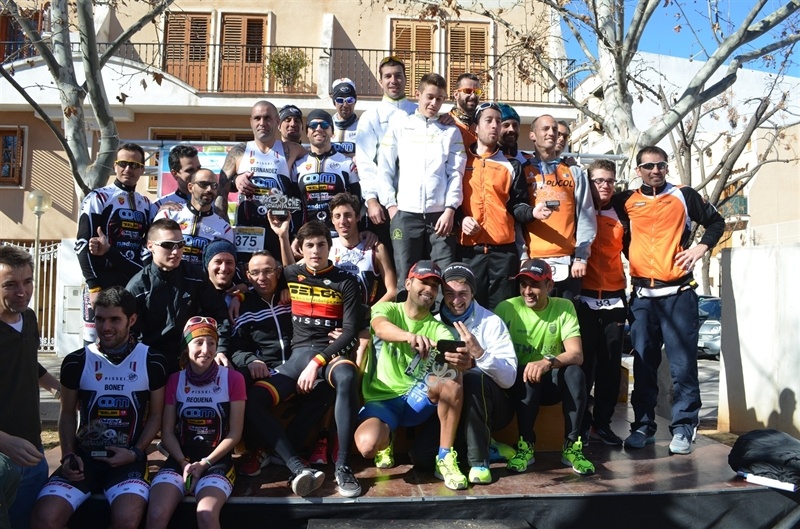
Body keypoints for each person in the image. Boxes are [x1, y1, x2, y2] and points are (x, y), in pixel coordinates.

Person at [615, 146, 724, 455]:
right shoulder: (626, 201)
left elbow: (717, 222)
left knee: (683, 367)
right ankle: (643, 426)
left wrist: (700, 248)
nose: (656, 170)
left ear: (666, 167)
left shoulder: (684, 195)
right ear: (638, 170)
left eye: (661, 165)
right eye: (649, 166)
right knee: (643, 366)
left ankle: (684, 427)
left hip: (679, 295)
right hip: (642, 298)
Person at [31, 287, 167, 529]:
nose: (106, 327)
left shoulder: (152, 361)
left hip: (128, 461)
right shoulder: (76, 361)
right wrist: (68, 454)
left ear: (132, 320)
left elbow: (157, 415)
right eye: (100, 319)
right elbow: (67, 413)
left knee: (127, 519)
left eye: (115, 319)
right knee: (45, 517)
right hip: (83, 460)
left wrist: (136, 453)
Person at [244, 222, 364, 497]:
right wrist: (238, 294)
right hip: (297, 357)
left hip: (329, 355)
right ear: (301, 248)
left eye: (321, 244)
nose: (315, 251)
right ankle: (296, 465)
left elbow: (349, 331)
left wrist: (317, 362)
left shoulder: (346, 280)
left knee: (347, 376)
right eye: (309, 245)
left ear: (330, 247)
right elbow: (260, 284)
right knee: (254, 398)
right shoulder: (291, 274)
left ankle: (344, 466)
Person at [355, 261, 468, 491]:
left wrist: (465, 361)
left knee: (453, 375)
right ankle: (387, 439)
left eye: (434, 285)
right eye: (423, 282)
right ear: (408, 284)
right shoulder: (388, 309)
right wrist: (409, 337)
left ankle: (445, 457)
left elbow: (452, 363)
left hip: (417, 399)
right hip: (382, 400)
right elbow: (381, 328)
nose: (429, 289)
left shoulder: (439, 328)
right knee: (367, 446)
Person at [231, 250, 331, 479]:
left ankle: (279, 450)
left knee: (327, 387)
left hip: (302, 366)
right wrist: (251, 360)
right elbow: (236, 348)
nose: (262, 277)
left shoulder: (293, 296)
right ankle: (290, 460)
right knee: (253, 399)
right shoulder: (244, 308)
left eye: (268, 271)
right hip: (271, 372)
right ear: (248, 276)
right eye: (255, 273)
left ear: (278, 272)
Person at [494, 259, 595, 476]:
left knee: (575, 373)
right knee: (527, 373)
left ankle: (572, 446)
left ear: (549, 286)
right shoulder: (506, 308)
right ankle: (526, 445)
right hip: (517, 384)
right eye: (523, 285)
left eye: (535, 285)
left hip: (550, 381)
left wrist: (547, 362)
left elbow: (576, 354)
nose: (527, 291)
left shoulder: (563, 306)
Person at [145, 318, 245, 529]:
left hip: (216, 462)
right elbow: (167, 432)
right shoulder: (175, 380)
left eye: (211, 343)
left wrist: (205, 463)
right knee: (156, 514)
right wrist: (184, 463)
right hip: (181, 460)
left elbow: (235, 434)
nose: (206, 350)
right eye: (198, 342)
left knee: (206, 515)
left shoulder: (234, 379)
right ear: (186, 346)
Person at [376, 72, 466, 289]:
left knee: (445, 279)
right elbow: (385, 167)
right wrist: (391, 205)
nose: (434, 103)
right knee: (406, 277)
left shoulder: (451, 132)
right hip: (405, 214)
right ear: (418, 95)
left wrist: (450, 209)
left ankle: (442, 313)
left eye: (439, 99)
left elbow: (456, 173)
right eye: (430, 97)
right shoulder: (400, 126)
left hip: (440, 216)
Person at [457, 101, 547, 309]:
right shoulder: (460, 161)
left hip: (503, 253)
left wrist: (532, 212)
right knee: (469, 310)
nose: (494, 125)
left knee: (503, 311)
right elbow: (450, 201)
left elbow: (518, 206)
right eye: (488, 120)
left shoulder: (512, 165)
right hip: (468, 250)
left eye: (498, 121)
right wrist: (461, 220)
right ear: (476, 127)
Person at [437, 263, 517, 484]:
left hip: (493, 407)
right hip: (450, 407)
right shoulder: (433, 322)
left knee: (472, 377)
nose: (456, 300)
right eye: (449, 293)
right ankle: (486, 445)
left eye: (463, 293)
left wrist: (479, 354)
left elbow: (509, 379)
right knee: (422, 458)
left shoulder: (491, 322)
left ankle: (479, 462)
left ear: (473, 292)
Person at [126, 219, 231, 374]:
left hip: (193, 358)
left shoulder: (196, 276)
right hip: (151, 361)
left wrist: (220, 349)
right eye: (168, 245)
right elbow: (128, 334)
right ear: (150, 246)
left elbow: (219, 314)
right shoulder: (137, 287)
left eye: (180, 245)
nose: (175, 252)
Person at [75, 142, 155, 344]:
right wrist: (94, 287)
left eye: (134, 165)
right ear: (115, 166)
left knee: (130, 343)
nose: (128, 169)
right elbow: (82, 244)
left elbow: (150, 247)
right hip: (101, 283)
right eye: (123, 164)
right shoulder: (99, 197)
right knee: (94, 346)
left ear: (142, 170)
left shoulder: (146, 204)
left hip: (132, 285)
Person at [575, 160, 627, 446]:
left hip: (614, 297)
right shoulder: (577, 209)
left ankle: (602, 424)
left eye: (609, 180)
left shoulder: (622, 212)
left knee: (610, 367)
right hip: (583, 297)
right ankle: (580, 425)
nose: (605, 185)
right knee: (584, 367)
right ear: (589, 182)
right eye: (598, 180)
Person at [216, 100, 305, 262]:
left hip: (278, 230)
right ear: (251, 121)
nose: (262, 123)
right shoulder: (239, 151)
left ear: (277, 121)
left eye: (267, 118)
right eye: (257, 118)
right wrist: (224, 228)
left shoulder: (292, 149)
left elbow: (319, 160)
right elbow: (220, 191)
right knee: (248, 273)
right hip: (246, 231)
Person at [522, 115, 596, 300]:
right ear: (532, 135)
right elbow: (516, 217)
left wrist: (581, 257)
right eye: (545, 129)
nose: (551, 133)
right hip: (532, 260)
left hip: (568, 262)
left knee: (566, 316)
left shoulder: (574, 172)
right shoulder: (521, 171)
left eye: (555, 130)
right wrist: (522, 256)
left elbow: (586, 216)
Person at [0, 246, 48, 529]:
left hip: (33, 454)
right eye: (10, 285)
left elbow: (29, 363)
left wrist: (62, 390)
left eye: (27, 281)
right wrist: (4, 441)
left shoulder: (29, 318)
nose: (22, 292)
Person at [355, 56, 416, 251]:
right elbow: (365, 163)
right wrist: (371, 200)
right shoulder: (370, 116)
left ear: (405, 79)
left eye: (398, 76)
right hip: (382, 205)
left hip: (415, 203)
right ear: (380, 81)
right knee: (387, 259)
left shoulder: (418, 112)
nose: (393, 81)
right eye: (388, 76)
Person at [292, 109, 361, 233]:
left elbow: (358, 202)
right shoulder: (297, 165)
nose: (318, 129)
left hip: (339, 235)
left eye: (324, 125)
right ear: (307, 132)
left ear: (332, 132)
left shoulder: (347, 164)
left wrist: (363, 230)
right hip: (308, 235)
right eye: (313, 125)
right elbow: (294, 204)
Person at [154, 169, 234, 267]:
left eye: (214, 185)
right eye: (203, 184)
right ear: (190, 187)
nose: (209, 189)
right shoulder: (168, 215)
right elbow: (149, 250)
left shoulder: (224, 228)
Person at [329, 192, 397, 307]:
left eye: (348, 215)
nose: (343, 221)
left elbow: (393, 291)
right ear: (332, 220)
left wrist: (370, 313)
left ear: (358, 217)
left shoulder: (376, 248)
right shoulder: (326, 246)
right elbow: (299, 267)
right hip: (333, 314)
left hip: (365, 315)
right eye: (337, 216)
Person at [154, 145, 201, 209]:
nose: (197, 173)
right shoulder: (159, 205)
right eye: (190, 170)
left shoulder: (212, 202)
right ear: (175, 174)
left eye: (199, 168)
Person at [448, 73, 482, 147]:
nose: (473, 96)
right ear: (456, 94)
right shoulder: (445, 123)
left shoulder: (482, 124)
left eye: (477, 92)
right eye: (468, 91)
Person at [330, 78, 359, 157]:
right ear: (334, 102)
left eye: (350, 100)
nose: (345, 105)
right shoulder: (326, 126)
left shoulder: (363, 127)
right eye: (340, 100)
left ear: (355, 101)